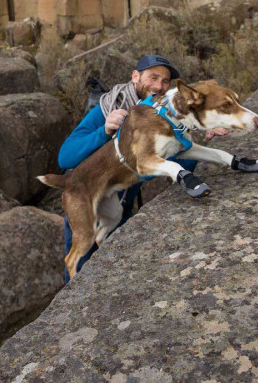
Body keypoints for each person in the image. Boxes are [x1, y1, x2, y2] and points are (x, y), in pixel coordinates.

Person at [56, 54, 232, 280]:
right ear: (135, 77)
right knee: (79, 273)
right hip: (88, 200)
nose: (159, 85)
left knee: (115, 277)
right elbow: (65, 158)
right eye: (153, 77)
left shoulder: (167, 116)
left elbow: (172, 166)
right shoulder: (106, 108)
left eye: (166, 81)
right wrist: (105, 130)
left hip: (123, 208)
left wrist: (199, 139)